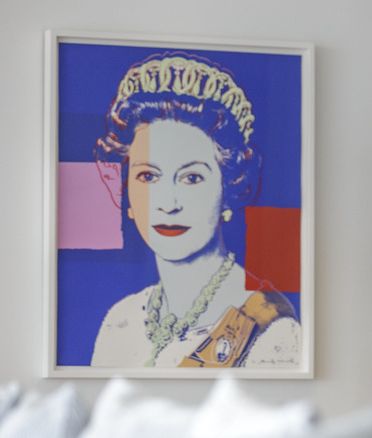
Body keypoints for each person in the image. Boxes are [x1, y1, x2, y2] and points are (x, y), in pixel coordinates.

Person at [90, 52, 301, 369]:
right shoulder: (119, 321)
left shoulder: (272, 331)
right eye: (148, 176)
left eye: (192, 177)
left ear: (229, 187)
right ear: (126, 191)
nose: (169, 203)